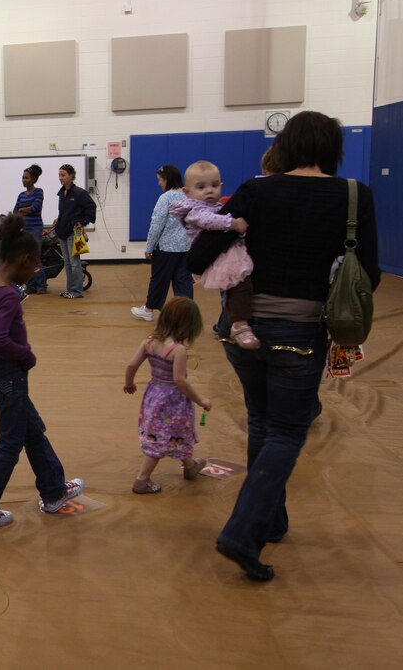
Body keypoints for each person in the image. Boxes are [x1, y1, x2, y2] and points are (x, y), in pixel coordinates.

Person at [188, 110, 381, 582]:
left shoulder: (256, 191)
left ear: (288, 145)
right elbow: (369, 276)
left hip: (243, 329)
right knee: (287, 432)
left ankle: (270, 519)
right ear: (333, 148)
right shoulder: (354, 196)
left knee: (262, 420)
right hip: (302, 331)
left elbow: (198, 257)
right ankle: (244, 530)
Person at [0, 215, 84, 528]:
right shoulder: (9, 295)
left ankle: (53, 491)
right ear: (24, 259)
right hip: (8, 374)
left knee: (31, 429)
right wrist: (26, 355)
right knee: (10, 444)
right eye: (35, 265)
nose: (35, 271)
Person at [123, 297, 211, 494]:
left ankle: (190, 467)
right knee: (162, 437)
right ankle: (142, 480)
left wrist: (129, 382)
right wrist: (201, 400)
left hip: (154, 395)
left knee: (175, 433)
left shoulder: (149, 342)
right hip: (174, 401)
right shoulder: (178, 350)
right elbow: (180, 380)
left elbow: (131, 365)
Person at [171, 161, 256, 347]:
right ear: (186, 192)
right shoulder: (194, 210)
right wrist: (233, 223)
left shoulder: (215, 206)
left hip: (231, 251)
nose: (209, 191)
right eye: (201, 187)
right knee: (241, 286)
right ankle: (240, 324)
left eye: (214, 185)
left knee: (241, 286)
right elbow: (208, 220)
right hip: (223, 258)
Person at [131, 165, 193, 322]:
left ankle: (149, 309)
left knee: (159, 280)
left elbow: (157, 224)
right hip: (185, 248)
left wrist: (149, 246)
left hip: (166, 248)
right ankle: (185, 313)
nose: (159, 183)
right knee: (183, 281)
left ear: (167, 179)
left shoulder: (165, 198)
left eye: (160, 180)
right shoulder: (189, 196)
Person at [53, 164, 97, 299]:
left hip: (73, 232)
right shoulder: (62, 193)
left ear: (71, 176)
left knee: (74, 262)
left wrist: (82, 222)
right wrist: (58, 219)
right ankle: (70, 289)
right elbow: (65, 212)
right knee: (67, 263)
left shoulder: (79, 193)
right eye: (59, 175)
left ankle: (77, 291)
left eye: (63, 175)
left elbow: (91, 207)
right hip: (62, 231)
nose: (60, 178)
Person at [13, 164, 47, 294]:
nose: (23, 180)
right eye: (22, 177)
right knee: (25, 259)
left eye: (26, 178)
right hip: (24, 230)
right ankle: (31, 284)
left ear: (33, 179)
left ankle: (41, 285)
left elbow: (35, 208)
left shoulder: (39, 192)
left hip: (35, 229)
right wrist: (20, 212)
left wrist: (23, 210)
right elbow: (16, 210)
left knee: (35, 257)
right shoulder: (21, 195)